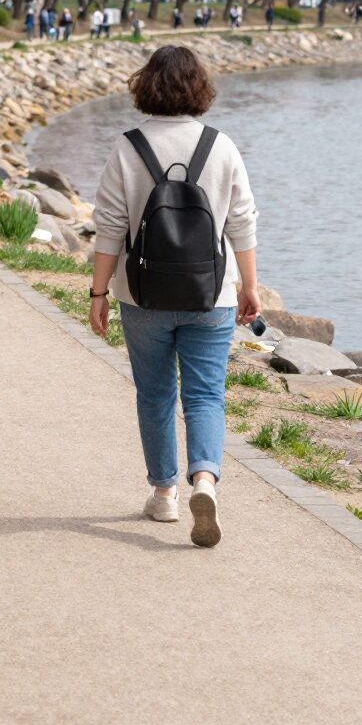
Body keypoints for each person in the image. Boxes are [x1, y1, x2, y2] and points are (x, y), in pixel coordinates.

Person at [88, 45, 259, 549]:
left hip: (143, 294)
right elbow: (242, 222)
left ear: (147, 86)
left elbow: (110, 228)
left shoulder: (127, 147)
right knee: (205, 394)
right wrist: (249, 285)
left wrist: (98, 292)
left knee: (155, 392)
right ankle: (204, 480)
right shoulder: (221, 145)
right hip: (212, 294)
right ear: (199, 88)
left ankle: (164, 493)